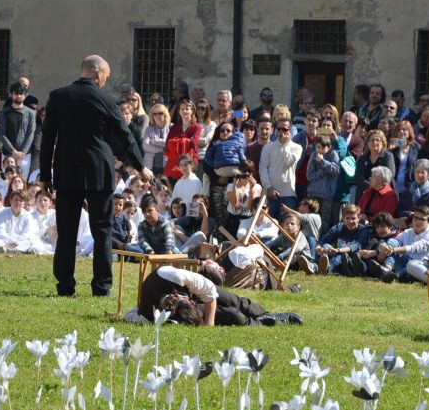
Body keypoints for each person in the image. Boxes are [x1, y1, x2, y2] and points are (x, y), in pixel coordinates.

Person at [39, 54, 149, 297]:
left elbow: (48, 139)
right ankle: (102, 286)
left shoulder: (58, 96)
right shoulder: (107, 99)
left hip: (67, 171)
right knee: (102, 231)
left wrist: (45, 176)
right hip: (98, 171)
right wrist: (141, 167)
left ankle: (65, 286)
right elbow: (124, 135)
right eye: (105, 77)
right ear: (98, 73)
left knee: (66, 231)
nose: (105, 81)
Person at [126, 264, 302, 326]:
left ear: (187, 300)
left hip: (198, 287)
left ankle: (272, 315)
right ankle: (265, 322)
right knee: (232, 315)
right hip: (179, 309)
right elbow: (130, 316)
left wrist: (208, 324)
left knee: (236, 302)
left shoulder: (173, 275)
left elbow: (210, 291)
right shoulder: (151, 318)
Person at [259, 118, 302, 220]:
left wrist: (286, 145)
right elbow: (262, 169)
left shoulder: (297, 147)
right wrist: (269, 187)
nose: (281, 132)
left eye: (285, 129)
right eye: (279, 129)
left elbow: (288, 162)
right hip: (270, 194)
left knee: (286, 227)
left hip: (288, 194)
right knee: (268, 225)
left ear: (290, 131)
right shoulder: (267, 147)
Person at [314, 203, 370, 276]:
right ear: (343, 218)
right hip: (336, 253)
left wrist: (338, 250)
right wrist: (318, 247)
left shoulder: (363, 230)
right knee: (325, 246)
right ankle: (318, 266)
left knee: (342, 256)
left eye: (353, 218)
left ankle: (325, 268)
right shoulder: (339, 227)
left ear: (358, 218)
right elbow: (325, 238)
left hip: (353, 259)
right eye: (347, 218)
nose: (350, 221)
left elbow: (357, 246)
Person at [0, 82, 37, 180]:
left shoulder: (31, 113)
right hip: (8, 153)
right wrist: (13, 151)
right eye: (16, 93)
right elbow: (2, 134)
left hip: (24, 155)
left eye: (21, 94)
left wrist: (22, 152)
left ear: (25, 96)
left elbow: (30, 133)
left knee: (22, 181)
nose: (19, 96)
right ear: (11, 95)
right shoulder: (4, 112)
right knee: (7, 181)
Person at [0, 189, 38, 253]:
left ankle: (7, 249)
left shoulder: (28, 216)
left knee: (30, 241)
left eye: (21, 201)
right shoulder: (3, 213)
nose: (18, 202)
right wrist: (10, 240)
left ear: (24, 203)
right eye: (16, 199)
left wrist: (16, 241)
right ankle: (5, 249)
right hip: (5, 240)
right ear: (10, 200)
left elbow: (27, 233)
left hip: (20, 242)